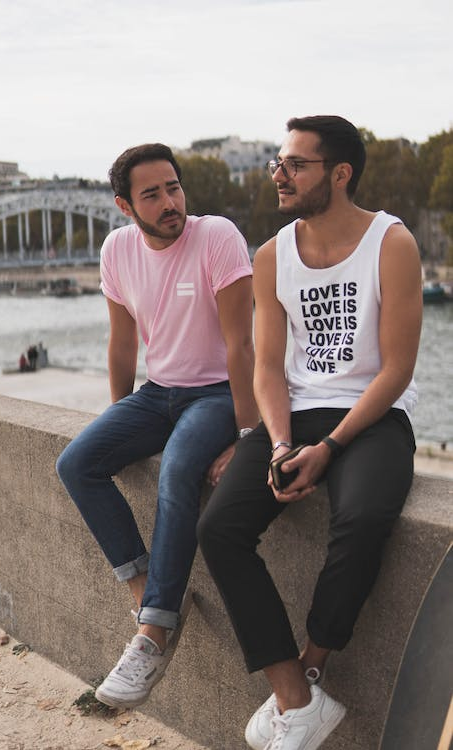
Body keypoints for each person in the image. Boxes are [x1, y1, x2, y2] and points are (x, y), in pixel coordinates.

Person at [197, 115, 422, 750]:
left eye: (296, 164)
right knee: (218, 528)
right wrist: (278, 443)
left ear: (340, 174)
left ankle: (314, 664)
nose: (279, 174)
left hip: (371, 416)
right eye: (278, 162)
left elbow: (397, 368)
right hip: (292, 418)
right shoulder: (271, 255)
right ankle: (295, 696)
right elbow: (267, 366)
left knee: (363, 517)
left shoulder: (391, 242)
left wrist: (331, 448)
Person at [56, 143, 258, 710]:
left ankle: (153, 635)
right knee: (76, 463)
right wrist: (120, 419)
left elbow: (243, 345)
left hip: (218, 393)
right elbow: (122, 342)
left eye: (174, 187)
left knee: (178, 470)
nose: (171, 202)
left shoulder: (216, 236)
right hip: (158, 393)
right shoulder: (117, 249)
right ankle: (150, 597)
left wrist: (249, 439)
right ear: (125, 205)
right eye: (153, 194)